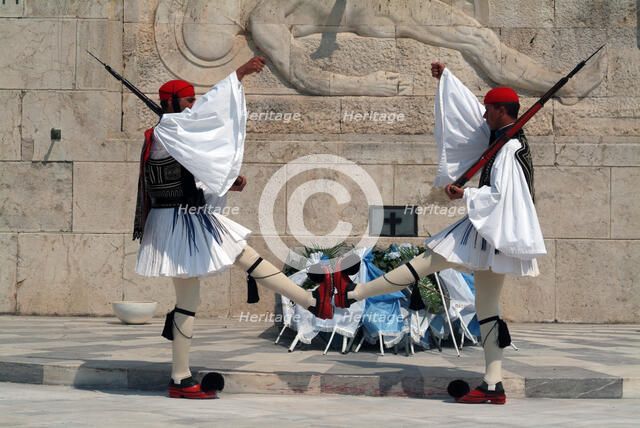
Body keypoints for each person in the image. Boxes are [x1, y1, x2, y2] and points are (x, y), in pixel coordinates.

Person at [333, 61, 546, 405]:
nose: (483, 116)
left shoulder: (511, 148)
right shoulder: (502, 140)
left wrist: (467, 195)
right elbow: (466, 113)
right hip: (491, 231)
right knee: (487, 306)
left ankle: (353, 294)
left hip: (489, 229)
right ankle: (494, 384)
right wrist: (446, 77)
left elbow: (502, 195)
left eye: (489, 110)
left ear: (502, 110)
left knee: (426, 262)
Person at [133, 56, 335, 399]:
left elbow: (196, 168)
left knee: (245, 254)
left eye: (194, 99)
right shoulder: (169, 132)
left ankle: (311, 301)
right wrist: (238, 75)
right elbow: (205, 125)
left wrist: (225, 182)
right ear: (171, 104)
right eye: (188, 101)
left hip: (188, 218)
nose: (194, 106)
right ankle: (180, 379)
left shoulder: (173, 134)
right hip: (179, 223)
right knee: (188, 300)